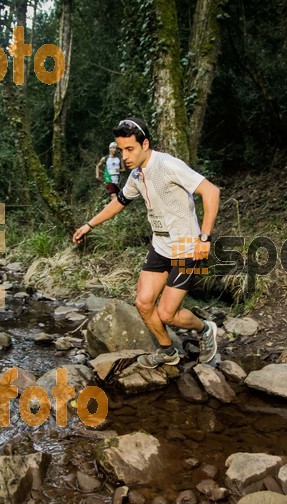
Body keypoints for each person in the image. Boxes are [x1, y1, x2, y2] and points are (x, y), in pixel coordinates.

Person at [73, 118, 221, 368]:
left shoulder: (168, 165)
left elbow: (211, 191)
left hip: (188, 247)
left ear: (145, 144)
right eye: (121, 150)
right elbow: (119, 202)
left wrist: (205, 237)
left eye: (130, 149)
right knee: (143, 303)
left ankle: (206, 329)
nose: (125, 156)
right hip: (160, 246)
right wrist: (89, 225)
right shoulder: (136, 175)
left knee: (167, 314)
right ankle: (167, 351)